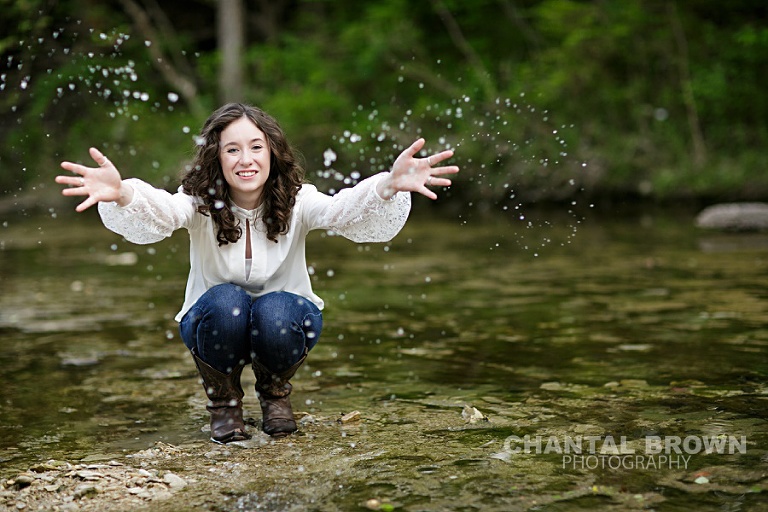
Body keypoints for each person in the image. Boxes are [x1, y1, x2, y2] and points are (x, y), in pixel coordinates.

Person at [55, 103, 458, 444]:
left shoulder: (300, 201)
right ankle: (225, 402)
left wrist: (387, 186)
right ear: (217, 156)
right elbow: (161, 211)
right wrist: (124, 193)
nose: (245, 160)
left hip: (287, 322)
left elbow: (344, 211)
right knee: (227, 301)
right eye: (232, 149)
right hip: (210, 321)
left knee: (275, 309)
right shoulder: (198, 203)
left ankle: (274, 393)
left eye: (255, 147)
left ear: (271, 152)